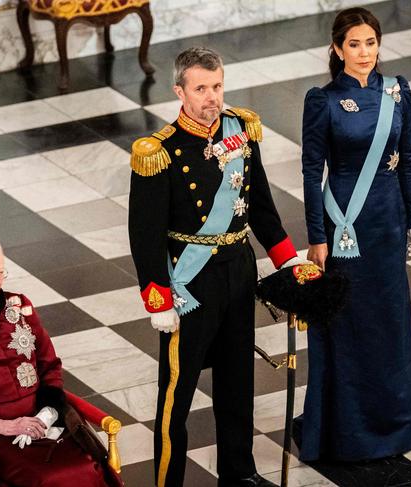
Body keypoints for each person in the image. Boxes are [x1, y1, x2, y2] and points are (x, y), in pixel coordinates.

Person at [128, 47, 301, 487]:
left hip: (239, 270)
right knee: (177, 394)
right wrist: (158, 298)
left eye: (217, 86)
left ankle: (239, 474)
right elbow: (145, 234)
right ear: (179, 91)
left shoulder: (241, 129)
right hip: (191, 282)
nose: (212, 97)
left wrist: (287, 262)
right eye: (201, 88)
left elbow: (259, 203)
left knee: (237, 379)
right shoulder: (159, 152)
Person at [294, 7, 411, 462]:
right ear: (337, 49)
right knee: (348, 327)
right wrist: (316, 235)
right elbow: (310, 169)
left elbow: (409, 157)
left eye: (371, 43)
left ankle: (395, 428)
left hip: (388, 225)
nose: (364, 53)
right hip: (345, 229)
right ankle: (346, 432)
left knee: (389, 325)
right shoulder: (323, 100)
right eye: (354, 44)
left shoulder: (398, 91)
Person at [0, 231, 114, 486]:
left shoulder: (20, 306)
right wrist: (3, 426)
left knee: (88, 467)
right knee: (48, 479)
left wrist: (46, 414)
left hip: (45, 423)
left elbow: (49, 365)